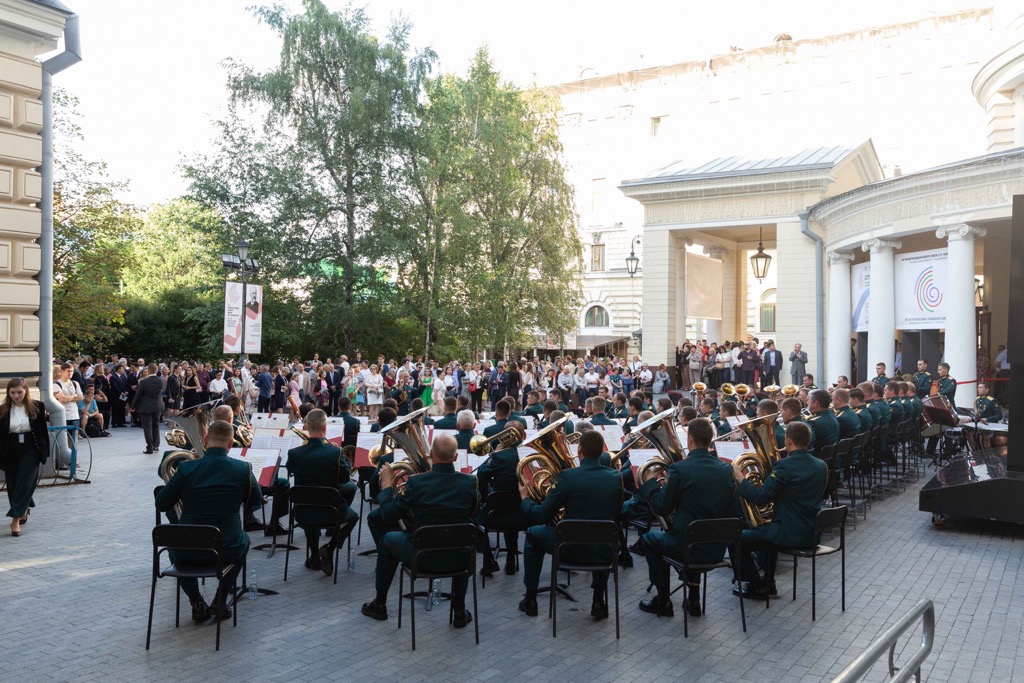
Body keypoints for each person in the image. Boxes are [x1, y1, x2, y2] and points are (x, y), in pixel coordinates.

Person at [360, 434, 478, 627]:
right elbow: (475, 512)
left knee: (387, 540)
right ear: (456, 457)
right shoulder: (471, 483)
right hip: (460, 559)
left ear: (431, 455)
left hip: (421, 558)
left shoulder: (416, 483)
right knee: (460, 542)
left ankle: (379, 604)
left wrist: (387, 487)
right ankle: (459, 610)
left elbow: (388, 515)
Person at [154, 420, 262, 622]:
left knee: (173, 545)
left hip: (187, 550)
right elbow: (256, 501)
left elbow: (161, 503)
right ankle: (220, 601)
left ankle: (196, 602)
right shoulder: (243, 469)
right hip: (226, 548)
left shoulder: (185, 468)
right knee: (244, 541)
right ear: (231, 444)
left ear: (204, 440)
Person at [517, 430, 623, 620]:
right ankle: (598, 601)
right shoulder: (616, 477)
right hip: (605, 550)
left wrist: (525, 500)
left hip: (569, 549)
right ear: (601, 451)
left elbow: (542, 515)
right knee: (602, 534)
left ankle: (530, 599)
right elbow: (617, 510)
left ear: (579, 449)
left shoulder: (567, 477)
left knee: (533, 534)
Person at [636, 418, 735, 617]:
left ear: (689, 439)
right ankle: (694, 599)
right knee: (695, 530)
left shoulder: (679, 469)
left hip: (686, 546)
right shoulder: (726, 469)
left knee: (648, 540)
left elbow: (662, 508)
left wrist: (651, 484)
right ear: (710, 439)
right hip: (716, 548)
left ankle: (663, 600)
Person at [732, 422, 828, 599]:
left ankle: (756, 584)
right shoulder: (821, 465)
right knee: (767, 528)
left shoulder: (784, 466)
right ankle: (768, 582)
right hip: (811, 533)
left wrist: (741, 478)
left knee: (736, 538)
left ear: (788, 441)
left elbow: (760, 497)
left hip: (787, 534)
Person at [287, 409, 359, 575]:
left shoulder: (294, 453)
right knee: (353, 517)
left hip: (302, 512)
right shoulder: (335, 452)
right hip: (331, 512)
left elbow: (291, 470)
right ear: (325, 428)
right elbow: (344, 479)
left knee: (310, 503)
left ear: (306, 427)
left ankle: (314, 556)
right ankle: (329, 548)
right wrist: (340, 457)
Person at [476, 420, 530, 577]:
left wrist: (494, 454)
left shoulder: (499, 457)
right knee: (509, 508)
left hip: (496, 513)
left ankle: (489, 562)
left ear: (502, 436)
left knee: (474, 521)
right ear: (524, 435)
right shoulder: (529, 454)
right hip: (524, 513)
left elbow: (481, 475)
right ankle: (511, 560)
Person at [0, 378, 50, 536]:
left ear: (26, 390)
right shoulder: (3, 409)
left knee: (24, 481)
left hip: (31, 448)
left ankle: (15, 519)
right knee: (13, 483)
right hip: (10, 448)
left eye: (19, 392)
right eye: (12, 392)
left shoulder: (37, 406)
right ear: (8, 393)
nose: (16, 396)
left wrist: (44, 451)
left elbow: (42, 431)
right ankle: (25, 506)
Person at [132, 363, 165, 454]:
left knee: (147, 427)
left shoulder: (144, 382)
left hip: (145, 406)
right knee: (156, 425)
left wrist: (133, 406)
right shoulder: (161, 381)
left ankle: (150, 447)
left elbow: (138, 395)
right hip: (157, 405)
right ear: (157, 370)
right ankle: (156, 446)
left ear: (149, 370)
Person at [805, 389, 840, 454]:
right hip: (831, 456)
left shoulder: (813, 422)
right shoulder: (832, 414)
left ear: (816, 404)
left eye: (808, 400)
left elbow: (805, 445)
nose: (807, 403)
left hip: (818, 457)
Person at [53, 363, 83, 427]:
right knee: (64, 433)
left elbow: (80, 397)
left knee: (75, 432)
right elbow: (63, 399)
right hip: (64, 415)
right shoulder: (56, 385)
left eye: (72, 371)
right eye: (68, 371)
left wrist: (67, 398)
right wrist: (74, 395)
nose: (70, 373)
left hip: (74, 415)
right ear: (62, 372)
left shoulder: (75, 383)